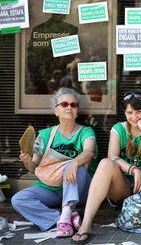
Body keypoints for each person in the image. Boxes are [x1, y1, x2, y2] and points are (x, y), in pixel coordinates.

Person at [72, 91, 141, 244]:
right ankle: (86, 223)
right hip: (125, 186)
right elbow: (112, 156)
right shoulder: (119, 129)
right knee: (105, 163)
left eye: (139, 112)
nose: (134, 117)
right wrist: (134, 169)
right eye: (130, 112)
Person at [12, 88, 97, 237]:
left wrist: (74, 163)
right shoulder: (45, 135)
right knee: (18, 199)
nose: (69, 107)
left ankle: (66, 212)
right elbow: (35, 168)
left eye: (73, 105)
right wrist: (27, 161)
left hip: (79, 187)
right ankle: (62, 219)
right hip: (50, 187)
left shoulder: (86, 132)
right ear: (56, 111)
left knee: (78, 167)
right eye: (64, 104)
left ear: (77, 111)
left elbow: (89, 152)